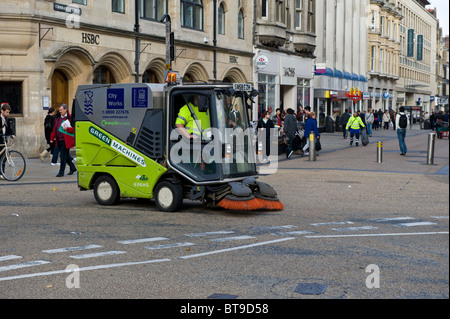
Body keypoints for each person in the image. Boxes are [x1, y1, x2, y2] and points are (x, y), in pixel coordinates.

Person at [50, 103, 76, 177]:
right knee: (66, 156)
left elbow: (74, 129)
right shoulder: (57, 118)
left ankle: (61, 172)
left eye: (61, 110)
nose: (60, 111)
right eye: (59, 110)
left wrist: (67, 129)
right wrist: (52, 137)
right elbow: (55, 128)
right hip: (59, 140)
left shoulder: (70, 118)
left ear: (65, 110)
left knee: (62, 156)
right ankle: (72, 167)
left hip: (66, 140)